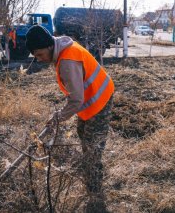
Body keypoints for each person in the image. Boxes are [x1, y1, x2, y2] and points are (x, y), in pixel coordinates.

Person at [25, 25, 114, 213]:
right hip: (91, 98)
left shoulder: (67, 61)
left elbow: (76, 100)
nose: (39, 60)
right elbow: (77, 94)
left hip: (100, 99)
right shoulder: (62, 47)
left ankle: (95, 196)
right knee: (83, 134)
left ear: (49, 46)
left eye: (40, 55)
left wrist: (58, 118)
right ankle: (91, 176)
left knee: (92, 150)